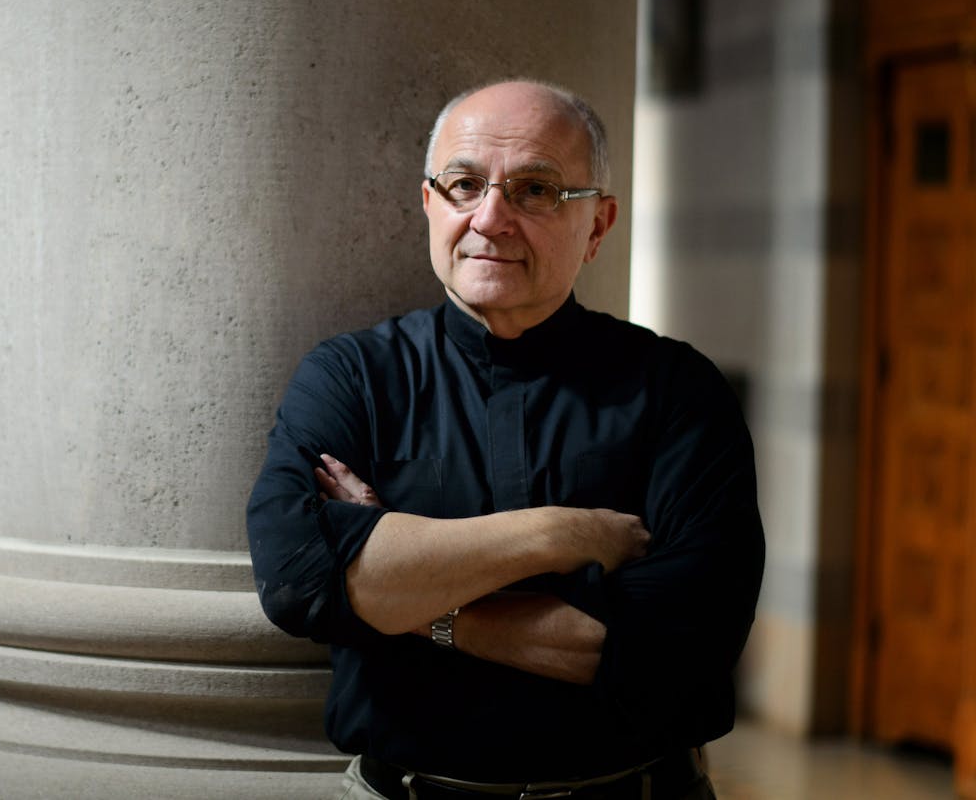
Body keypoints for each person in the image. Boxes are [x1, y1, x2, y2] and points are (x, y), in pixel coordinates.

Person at [246, 80, 764, 800]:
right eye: (463, 184)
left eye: (535, 190)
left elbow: (674, 647)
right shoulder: (351, 377)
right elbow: (298, 581)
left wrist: (398, 588)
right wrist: (560, 534)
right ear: (430, 203)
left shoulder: (679, 392)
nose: (490, 218)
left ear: (600, 225)